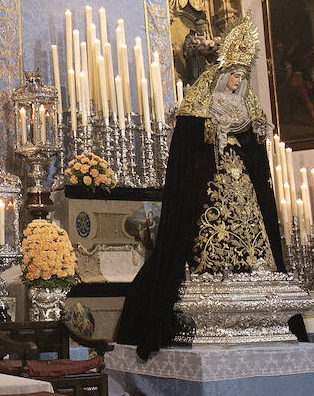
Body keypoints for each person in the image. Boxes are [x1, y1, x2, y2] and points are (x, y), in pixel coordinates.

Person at [114, 18, 288, 360]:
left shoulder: (246, 101)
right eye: (234, 74)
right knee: (209, 230)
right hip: (209, 183)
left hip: (241, 183)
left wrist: (256, 135)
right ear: (223, 72)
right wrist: (213, 131)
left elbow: (253, 145)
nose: (238, 81)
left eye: (242, 75)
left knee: (250, 229)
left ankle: (251, 278)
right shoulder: (201, 96)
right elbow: (187, 141)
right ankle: (210, 276)